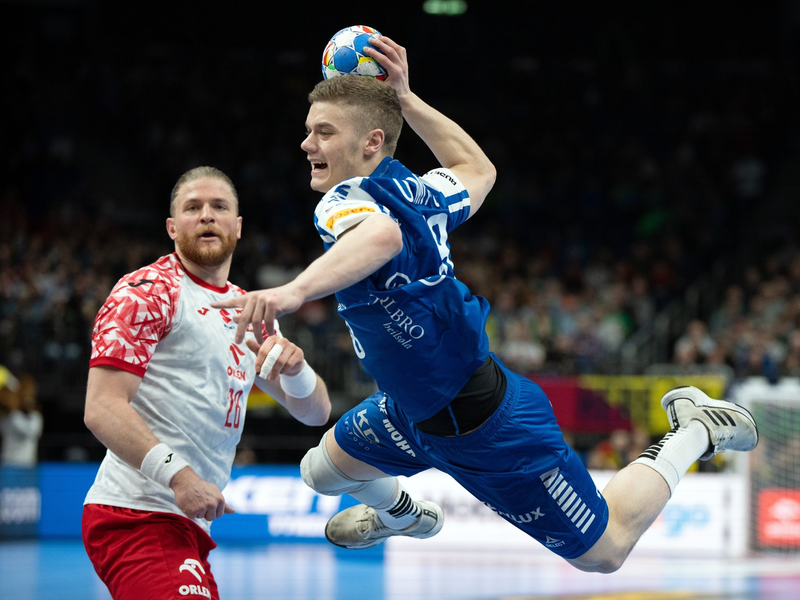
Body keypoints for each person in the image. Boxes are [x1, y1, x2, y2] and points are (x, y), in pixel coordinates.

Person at [213, 37, 758, 573]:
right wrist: (405, 95)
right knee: (319, 471)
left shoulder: (346, 200)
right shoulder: (423, 192)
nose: (307, 144)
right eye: (308, 131)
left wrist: (290, 292)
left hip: (489, 428)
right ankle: (403, 514)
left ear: (371, 142)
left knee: (605, 550)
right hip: (411, 411)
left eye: (323, 132)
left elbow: (380, 237)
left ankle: (696, 427)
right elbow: (479, 171)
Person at [82, 166, 331, 600]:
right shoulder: (146, 292)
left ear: (237, 226)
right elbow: (102, 406)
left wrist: (297, 371)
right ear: (172, 227)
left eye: (219, 207)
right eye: (192, 207)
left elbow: (315, 413)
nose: (206, 216)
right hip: (136, 514)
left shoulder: (248, 312)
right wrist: (180, 477)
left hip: (185, 523)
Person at [0, 370, 43, 467]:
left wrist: (14, 410)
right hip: (8, 463)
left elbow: (31, 431)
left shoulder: (35, 417)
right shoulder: (8, 416)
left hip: (26, 465)